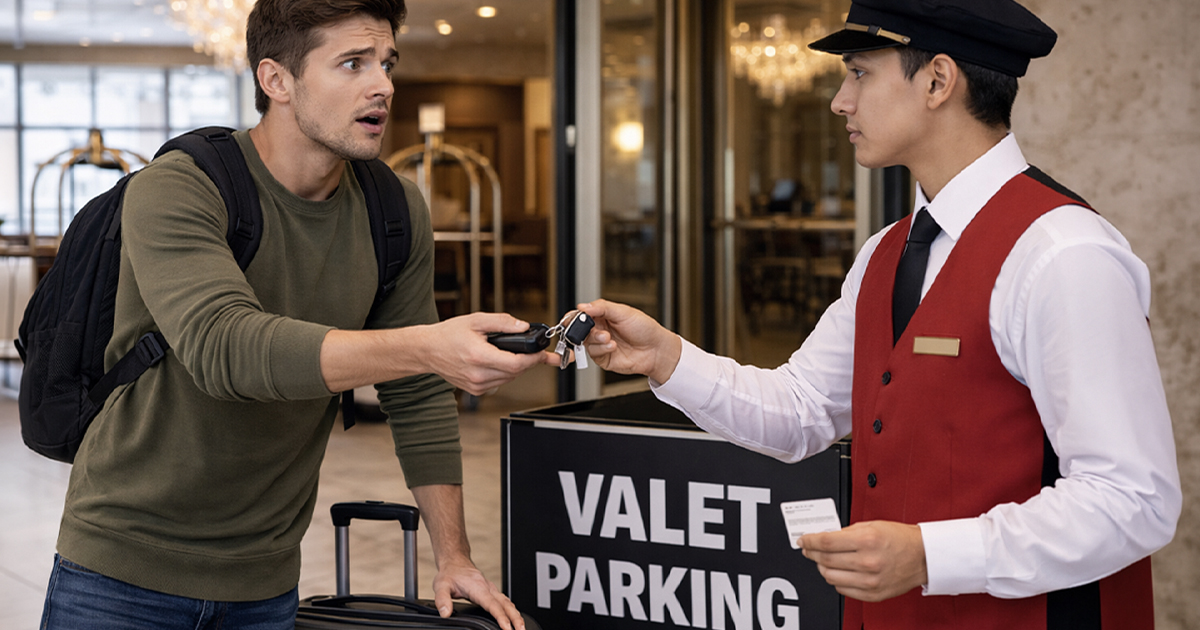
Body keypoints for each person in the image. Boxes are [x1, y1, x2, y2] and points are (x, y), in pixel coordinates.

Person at [578, 0, 1180, 628]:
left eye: (860, 72)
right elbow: (804, 409)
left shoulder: (1062, 253)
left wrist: (929, 555)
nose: (841, 101)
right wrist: (667, 358)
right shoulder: (886, 251)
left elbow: (1133, 500)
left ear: (938, 81)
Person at [39, 1, 555, 628]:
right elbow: (227, 350)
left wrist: (455, 556)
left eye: (387, 63)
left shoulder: (393, 211)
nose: (384, 85)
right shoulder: (179, 186)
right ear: (276, 80)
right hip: (120, 568)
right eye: (352, 63)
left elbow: (416, 394)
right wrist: (424, 346)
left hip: (267, 578)